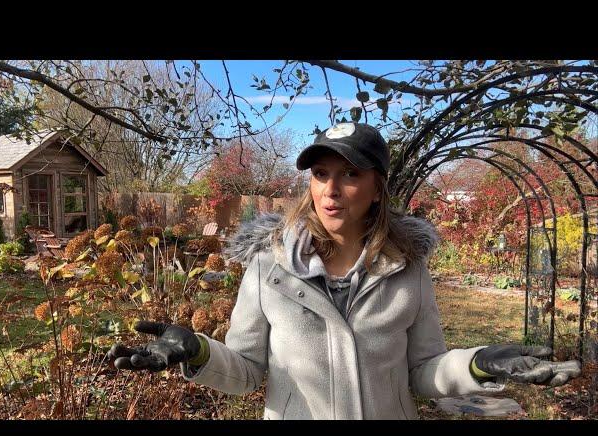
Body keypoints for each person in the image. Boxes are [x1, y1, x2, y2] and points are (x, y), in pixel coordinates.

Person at [109, 122, 582, 420]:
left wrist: (475, 364)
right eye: (320, 174)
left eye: (350, 173)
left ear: (377, 188)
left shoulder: (407, 271)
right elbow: (249, 372)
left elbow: (421, 373)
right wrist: (197, 353)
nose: (331, 188)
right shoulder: (268, 268)